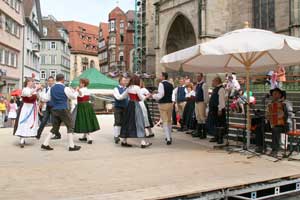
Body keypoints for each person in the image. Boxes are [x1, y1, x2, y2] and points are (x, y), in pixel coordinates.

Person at [41, 74, 81, 151]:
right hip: (63, 109)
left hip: (54, 110)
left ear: (56, 79)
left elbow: (46, 99)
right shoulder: (65, 88)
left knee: (55, 127)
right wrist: (76, 91)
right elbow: (73, 97)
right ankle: (71, 146)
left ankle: (45, 143)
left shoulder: (51, 88)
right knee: (70, 125)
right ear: (62, 79)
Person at [119, 76, 152, 148]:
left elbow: (122, 97)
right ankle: (143, 143)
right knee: (139, 122)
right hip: (136, 105)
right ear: (137, 81)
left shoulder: (129, 88)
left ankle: (124, 141)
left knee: (127, 122)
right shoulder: (137, 88)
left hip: (129, 106)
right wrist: (147, 96)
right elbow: (142, 98)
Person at [14, 78, 40, 148]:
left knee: (30, 123)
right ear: (28, 82)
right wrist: (36, 88)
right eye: (32, 82)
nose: (33, 83)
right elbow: (28, 94)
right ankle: (22, 139)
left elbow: (36, 100)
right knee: (24, 123)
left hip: (32, 108)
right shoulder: (25, 89)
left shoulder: (33, 90)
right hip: (26, 109)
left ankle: (24, 138)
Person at [74, 78, 100, 144]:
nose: (79, 84)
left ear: (83, 83)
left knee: (84, 120)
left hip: (82, 106)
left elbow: (80, 95)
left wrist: (77, 90)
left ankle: (89, 138)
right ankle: (84, 136)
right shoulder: (87, 89)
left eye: (80, 83)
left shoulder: (81, 90)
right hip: (87, 105)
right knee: (87, 119)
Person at [153, 72, 174, 145]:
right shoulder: (171, 84)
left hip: (163, 104)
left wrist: (154, 96)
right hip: (170, 103)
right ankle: (170, 136)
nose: (160, 77)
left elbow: (161, 95)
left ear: (164, 77)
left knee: (165, 121)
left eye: (161, 76)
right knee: (169, 121)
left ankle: (168, 138)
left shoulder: (161, 84)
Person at [266, 88, 288, 157]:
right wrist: (267, 116)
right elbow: (267, 114)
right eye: (273, 94)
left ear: (280, 95)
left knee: (275, 129)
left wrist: (283, 111)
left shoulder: (285, 103)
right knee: (259, 126)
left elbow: (289, 114)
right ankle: (260, 146)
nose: (273, 95)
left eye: (275, 94)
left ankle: (275, 150)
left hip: (282, 125)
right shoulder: (270, 104)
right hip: (272, 123)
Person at [207, 76, 226, 144]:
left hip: (218, 109)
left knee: (220, 123)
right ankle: (216, 136)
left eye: (213, 81)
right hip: (214, 109)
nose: (212, 82)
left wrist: (220, 109)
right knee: (215, 123)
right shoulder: (216, 89)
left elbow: (221, 100)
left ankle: (220, 138)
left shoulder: (221, 89)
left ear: (217, 81)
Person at [192, 73, 209, 139]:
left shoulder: (204, 84)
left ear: (202, 77)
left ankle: (204, 133)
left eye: (199, 76)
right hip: (197, 102)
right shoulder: (198, 85)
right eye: (197, 76)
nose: (197, 77)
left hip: (201, 102)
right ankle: (199, 132)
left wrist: (205, 103)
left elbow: (206, 95)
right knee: (198, 116)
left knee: (202, 117)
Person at [113, 76, 128, 144]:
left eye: (126, 80)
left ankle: (122, 135)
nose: (125, 82)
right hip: (118, 107)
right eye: (124, 80)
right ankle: (116, 136)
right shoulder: (116, 88)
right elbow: (118, 97)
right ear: (120, 81)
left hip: (126, 107)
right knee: (117, 121)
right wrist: (125, 94)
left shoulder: (127, 89)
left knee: (124, 122)